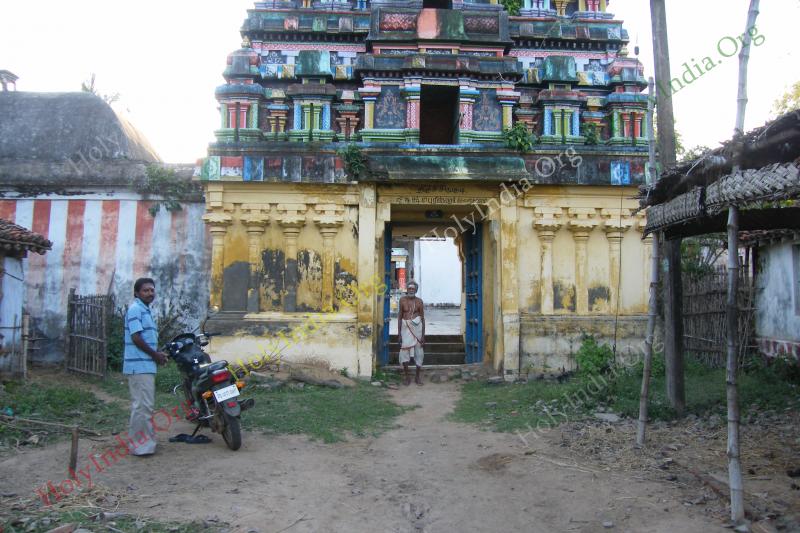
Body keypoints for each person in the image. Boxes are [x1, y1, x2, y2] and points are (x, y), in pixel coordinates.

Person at [123, 278, 168, 456]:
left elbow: (145, 339)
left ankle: (145, 443)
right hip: (139, 366)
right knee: (142, 406)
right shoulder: (135, 309)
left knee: (145, 406)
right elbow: (136, 338)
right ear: (136, 293)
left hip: (145, 365)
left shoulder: (145, 310)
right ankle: (140, 446)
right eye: (145, 290)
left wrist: (157, 353)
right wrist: (154, 354)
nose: (150, 293)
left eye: (152, 290)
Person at [398, 281, 425, 386]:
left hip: (417, 330)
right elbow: (400, 317)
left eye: (413, 289)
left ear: (416, 290)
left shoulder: (419, 302)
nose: (411, 290)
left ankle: (417, 377)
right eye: (409, 288)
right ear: (407, 289)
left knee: (419, 353)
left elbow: (423, 319)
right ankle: (407, 377)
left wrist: (423, 336)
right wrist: (399, 334)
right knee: (404, 352)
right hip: (405, 330)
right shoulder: (402, 300)